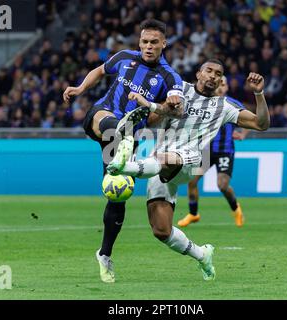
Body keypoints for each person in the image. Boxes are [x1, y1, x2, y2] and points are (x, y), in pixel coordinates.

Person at [107, 60, 269, 280]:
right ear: (199, 73)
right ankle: (202, 255)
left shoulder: (225, 106)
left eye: (218, 74)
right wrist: (161, 108)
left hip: (192, 160)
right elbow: (152, 121)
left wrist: (259, 94)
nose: (213, 76)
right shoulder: (179, 89)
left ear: (221, 80)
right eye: (209, 71)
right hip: (159, 163)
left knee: (164, 159)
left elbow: (261, 124)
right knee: (161, 230)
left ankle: (123, 167)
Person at [62, 19, 184, 283]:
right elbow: (99, 70)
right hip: (102, 117)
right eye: (144, 42)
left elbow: (173, 109)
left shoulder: (170, 78)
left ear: (164, 44)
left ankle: (104, 254)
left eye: (154, 42)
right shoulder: (124, 57)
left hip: (128, 138)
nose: (148, 47)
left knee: (117, 193)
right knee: (109, 122)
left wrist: (168, 104)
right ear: (139, 42)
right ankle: (121, 129)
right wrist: (81, 88)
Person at [178, 76, 248, 228]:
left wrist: (241, 133)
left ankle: (236, 209)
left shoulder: (232, 103)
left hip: (225, 151)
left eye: (224, 84)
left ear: (227, 87)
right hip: (206, 150)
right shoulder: (205, 103)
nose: (221, 87)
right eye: (219, 84)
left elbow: (250, 119)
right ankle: (193, 214)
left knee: (222, 185)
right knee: (192, 181)